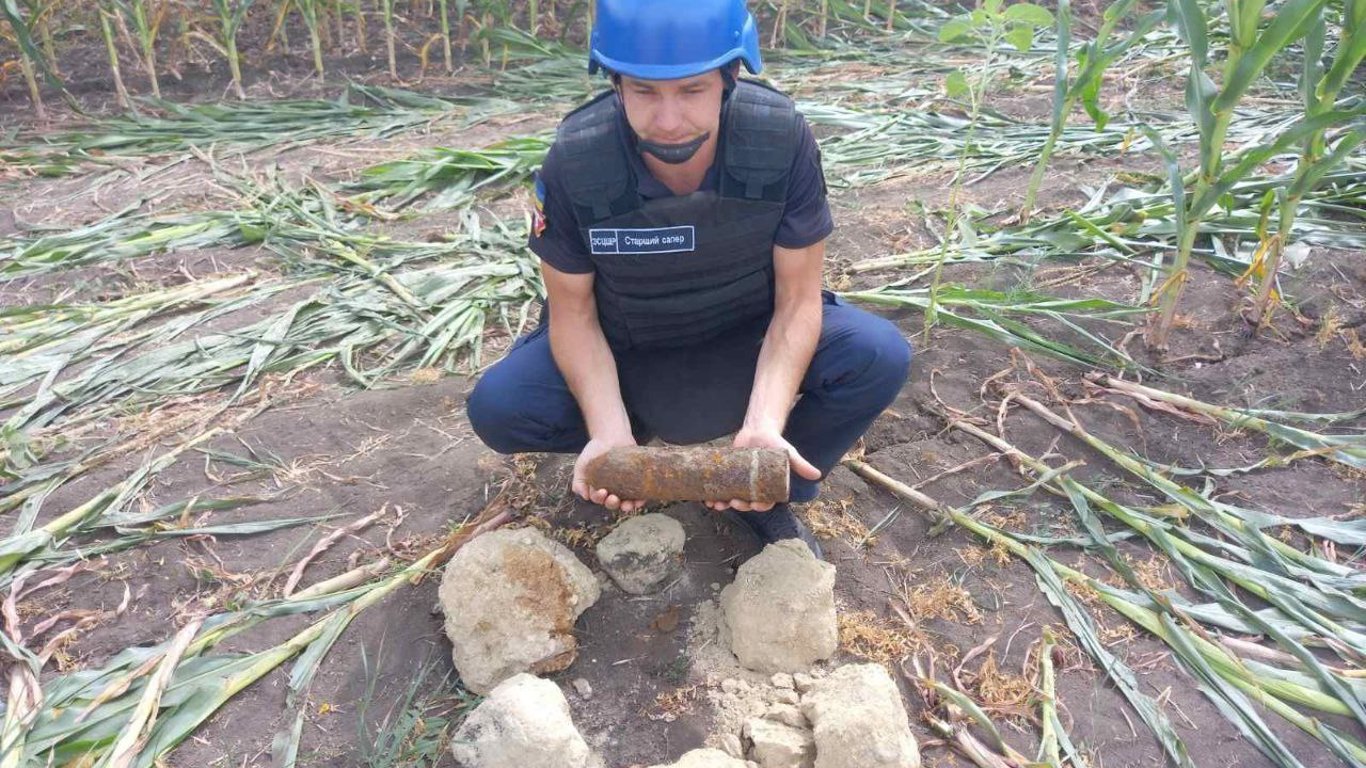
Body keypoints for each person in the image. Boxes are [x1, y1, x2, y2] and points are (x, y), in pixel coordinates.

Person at [466, 0, 912, 558]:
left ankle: (765, 493)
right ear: (616, 84)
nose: (670, 120)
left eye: (692, 90)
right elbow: (573, 313)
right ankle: (630, 441)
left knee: (877, 353)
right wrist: (608, 433)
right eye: (646, 92)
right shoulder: (576, 163)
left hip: (745, 328)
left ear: (729, 78)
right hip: (627, 340)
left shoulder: (779, 141)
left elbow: (798, 300)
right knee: (500, 407)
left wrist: (764, 426)